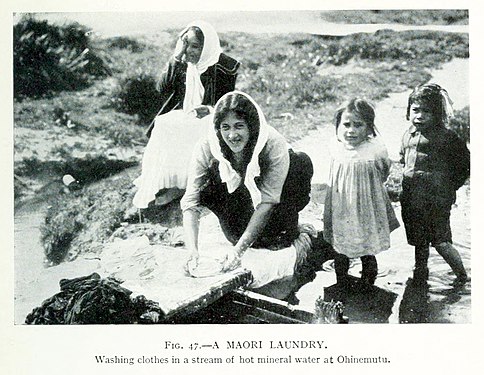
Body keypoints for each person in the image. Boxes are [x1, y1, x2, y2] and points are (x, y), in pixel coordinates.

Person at [181, 91, 315, 273]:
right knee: (211, 181)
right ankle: (236, 230)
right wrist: (192, 251)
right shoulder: (207, 146)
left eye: (239, 126)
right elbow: (191, 202)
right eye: (225, 127)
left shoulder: (272, 143)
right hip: (238, 199)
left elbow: (268, 200)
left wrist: (238, 250)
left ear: (251, 127)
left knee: (299, 162)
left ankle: (286, 229)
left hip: (271, 201)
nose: (232, 135)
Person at [132, 20, 240, 209]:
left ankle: (189, 186)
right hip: (188, 113)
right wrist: (176, 56)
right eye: (186, 44)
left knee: (193, 129)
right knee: (164, 123)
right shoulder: (182, 64)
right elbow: (162, 88)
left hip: (215, 117)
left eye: (195, 46)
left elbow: (227, 103)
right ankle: (174, 183)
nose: (189, 50)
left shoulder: (222, 66)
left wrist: (208, 109)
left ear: (206, 47)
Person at [323, 98, 399, 288]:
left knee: (367, 247)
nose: (351, 131)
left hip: (366, 206)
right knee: (340, 247)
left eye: (358, 125)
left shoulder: (375, 147)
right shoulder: (335, 145)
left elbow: (384, 168)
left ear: (369, 127)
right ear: (338, 126)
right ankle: (341, 284)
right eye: (346, 125)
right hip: (341, 205)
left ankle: (368, 288)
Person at [399, 83, 470, 284]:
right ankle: (420, 270)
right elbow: (403, 158)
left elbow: (465, 164)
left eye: (426, 112)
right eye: (416, 110)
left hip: (437, 201)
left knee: (441, 241)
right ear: (409, 111)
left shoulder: (447, 138)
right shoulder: (408, 134)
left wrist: (449, 187)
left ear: (437, 114)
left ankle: (462, 275)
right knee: (419, 240)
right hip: (412, 199)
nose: (419, 116)